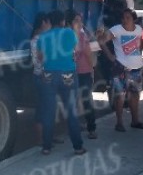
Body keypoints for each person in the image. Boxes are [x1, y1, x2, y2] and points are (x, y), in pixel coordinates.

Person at [36, 9, 86, 156]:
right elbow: (77, 50)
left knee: (49, 111)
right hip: (68, 74)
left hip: (48, 74)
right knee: (71, 111)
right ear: (63, 21)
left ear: (50, 22)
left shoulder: (42, 36)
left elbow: (40, 58)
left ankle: (46, 147)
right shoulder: (69, 33)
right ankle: (78, 147)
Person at [99, 8, 143, 131]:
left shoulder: (139, 30)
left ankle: (135, 121)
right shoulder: (116, 29)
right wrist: (110, 56)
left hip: (136, 68)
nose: (125, 20)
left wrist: (139, 58)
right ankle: (119, 122)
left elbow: (140, 45)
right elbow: (102, 41)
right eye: (123, 17)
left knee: (135, 95)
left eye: (128, 17)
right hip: (120, 68)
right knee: (120, 96)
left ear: (133, 19)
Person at [66, 9, 97, 140]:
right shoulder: (79, 36)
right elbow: (88, 54)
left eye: (80, 20)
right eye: (76, 20)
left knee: (82, 100)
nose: (79, 23)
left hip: (78, 72)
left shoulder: (78, 36)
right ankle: (88, 128)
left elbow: (87, 53)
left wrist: (90, 69)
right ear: (69, 22)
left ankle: (90, 127)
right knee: (83, 100)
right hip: (78, 72)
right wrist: (92, 69)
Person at [30, 12, 51, 144]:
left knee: (45, 108)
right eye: (48, 23)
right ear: (43, 23)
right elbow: (43, 59)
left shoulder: (37, 39)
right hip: (43, 76)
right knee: (43, 109)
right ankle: (41, 140)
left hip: (42, 76)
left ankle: (45, 138)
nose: (49, 26)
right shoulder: (39, 40)